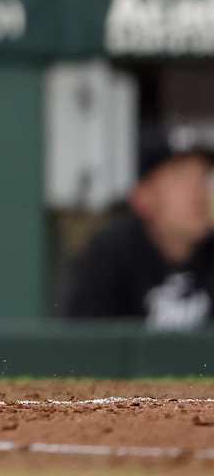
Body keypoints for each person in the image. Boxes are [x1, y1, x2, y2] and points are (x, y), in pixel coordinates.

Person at [62, 125, 214, 329]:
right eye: (181, 178)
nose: (198, 192)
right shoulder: (110, 256)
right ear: (143, 196)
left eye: (203, 177)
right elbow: (83, 348)